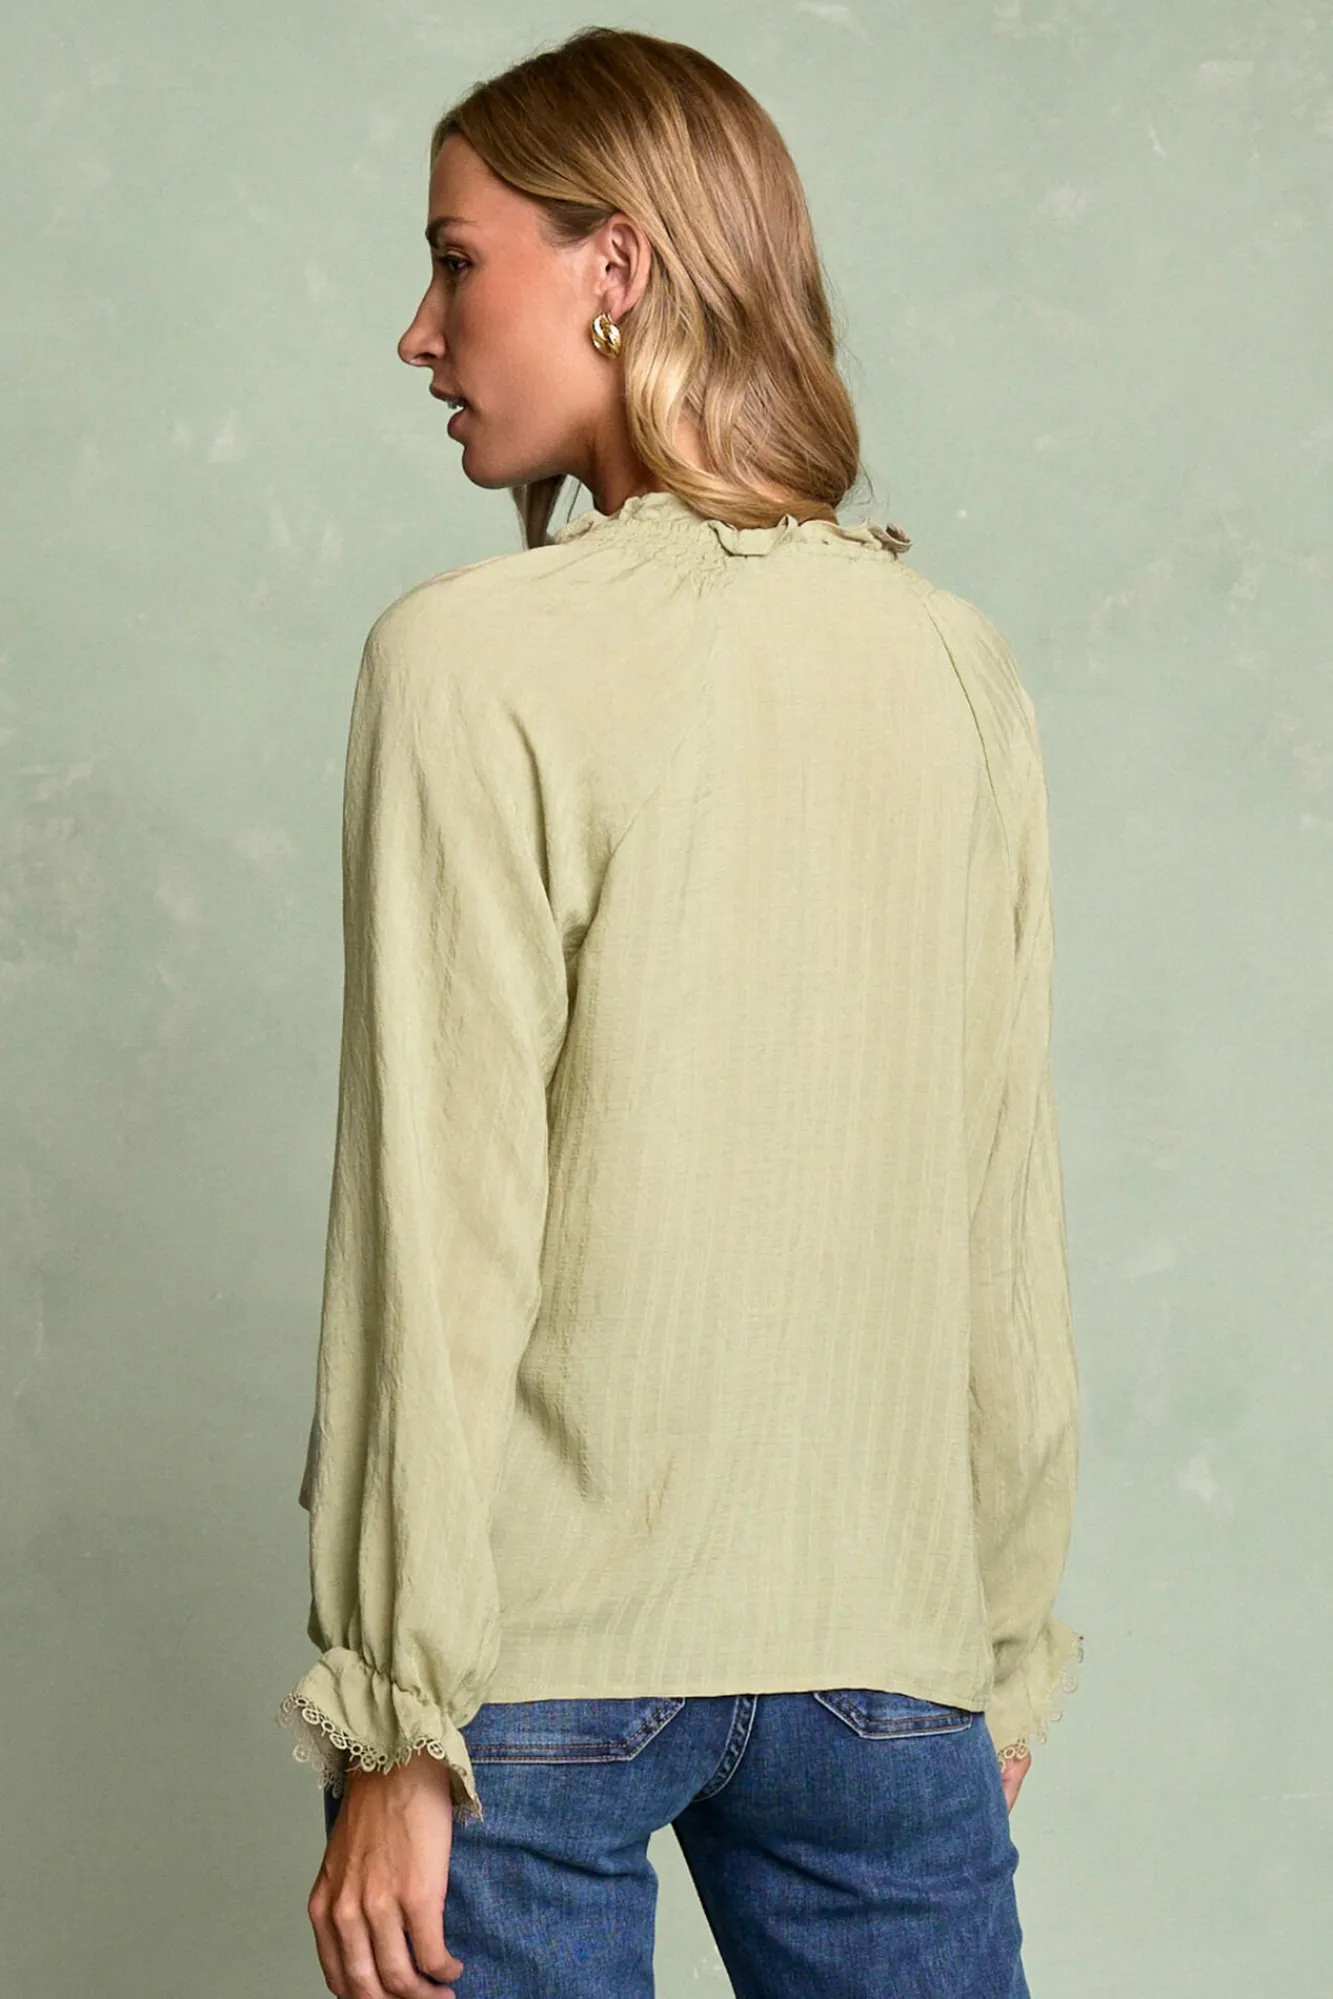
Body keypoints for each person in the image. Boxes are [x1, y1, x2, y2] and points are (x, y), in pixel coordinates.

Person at [274, 26, 1082, 1999]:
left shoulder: (470, 658)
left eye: (456, 261)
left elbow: (440, 1225)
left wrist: (393, 1719)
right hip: (891, 1657)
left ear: (616, 268)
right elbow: (1001, 1201)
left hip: (531, 1677)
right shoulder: (952, 662)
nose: (419, 331)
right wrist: (996, 1639)